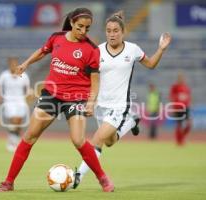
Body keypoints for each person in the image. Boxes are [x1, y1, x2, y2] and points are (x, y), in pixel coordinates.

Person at [0, 8, 114, 192]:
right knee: (29, 136)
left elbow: (95, 80)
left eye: (87, 28)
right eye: (80, 27)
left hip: (76, 98)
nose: (83, 31)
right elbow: (42, 51)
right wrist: (26, 64)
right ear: (72, 23)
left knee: (78, 140)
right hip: (51, 95)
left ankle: (103, 179)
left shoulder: (91, 50)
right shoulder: (56, 38)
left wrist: (91, 102)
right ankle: (8, 182)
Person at [74, 10, 172, 188]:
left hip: (120, 106)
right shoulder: (97, 51)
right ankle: (132, 122)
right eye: (109, 30)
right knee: (110, 141)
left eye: (115, 31)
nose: (112, 34)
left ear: (123, 32)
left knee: (96, 141)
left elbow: (150, 64)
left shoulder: (132, 49)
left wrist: (161, 49)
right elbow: (90, 78)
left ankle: (77, 175)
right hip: (100, 106)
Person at [0, 57, 32, 152]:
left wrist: (28, 97)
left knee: (19, 122)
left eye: (15, 64)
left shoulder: (24, 75)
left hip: (20, 101)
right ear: (9, 64)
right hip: (9, 101)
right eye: (12, 64)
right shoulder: (4, 75)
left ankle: (14, 141)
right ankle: (13, 142)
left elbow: (27, 89)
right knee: (14, 120)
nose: (13, 66)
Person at [169, 72, 192, 146]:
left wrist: (189, 104)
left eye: (182, 78)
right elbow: (172, 97)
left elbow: (188, 97)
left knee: (189, 124)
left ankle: (182, 137)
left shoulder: (186, 87)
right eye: (180, 78)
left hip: (186, 108)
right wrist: (174, 107)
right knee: (179, 125)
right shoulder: (175, 87)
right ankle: (179, 141)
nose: (181, 79)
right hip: (178, 108)